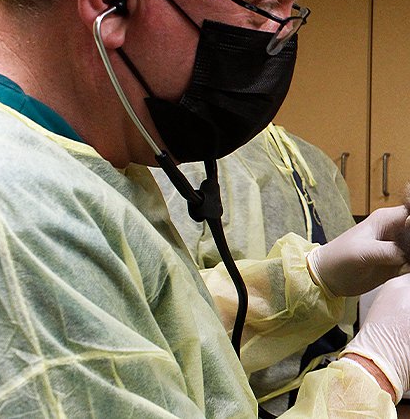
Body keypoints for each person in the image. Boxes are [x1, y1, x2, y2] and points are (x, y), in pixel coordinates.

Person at [0, 0, 410, 416]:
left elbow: (158, 336)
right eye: (262, 8)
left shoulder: (81, 158)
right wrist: (377, 369)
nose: (278, 39)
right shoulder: (14, 209)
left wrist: (314, 277)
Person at [152, 122, 361, 415]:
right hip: (240, 402)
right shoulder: (189, 162)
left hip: (327, 395)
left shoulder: (314, 163)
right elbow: (166, 309)